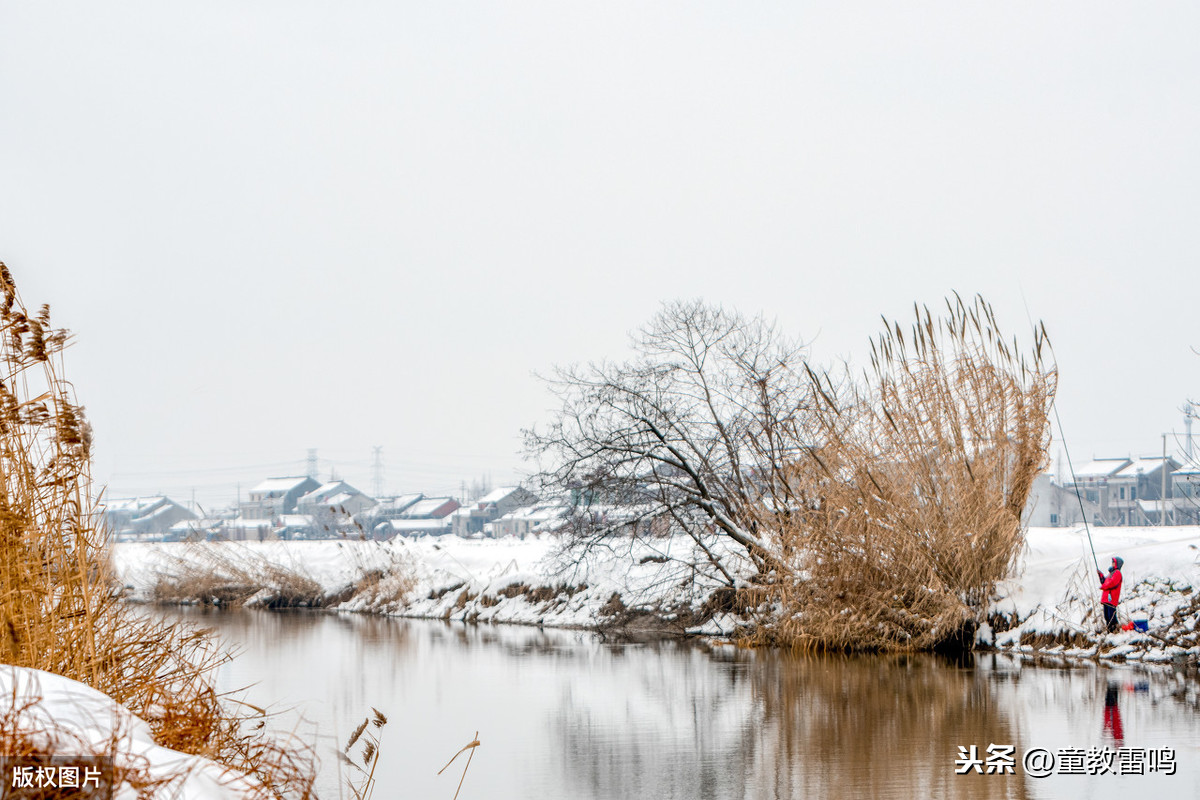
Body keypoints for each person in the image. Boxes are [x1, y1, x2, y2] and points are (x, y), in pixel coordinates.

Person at [1098, 556, 1123, 633]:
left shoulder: (1117, 573)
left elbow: (1111, 583)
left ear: (1117, 564)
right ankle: (1110, 631)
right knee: (1107, 616)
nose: (1112, 563)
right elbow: (1105, 582)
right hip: (1107, 599)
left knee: (1111, 616)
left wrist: (1103, 586)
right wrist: (1101, 576)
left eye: (1113, 562)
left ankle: (1115, 631)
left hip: (1111, 599)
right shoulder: (1111, 574)